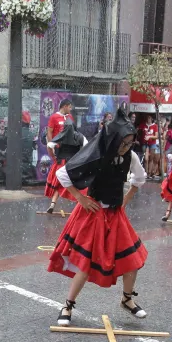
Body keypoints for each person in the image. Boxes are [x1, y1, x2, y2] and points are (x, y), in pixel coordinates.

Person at [47, 109, 149, 326]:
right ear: (113, 139)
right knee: (85, 264)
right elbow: (62, 174)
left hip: (115, 214)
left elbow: (139, 178)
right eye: (124, 143)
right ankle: (67, 305)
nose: (127, 147)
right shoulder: (96, 152)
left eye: (130, 143)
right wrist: (80, 199)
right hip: (92, 214)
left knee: (132, 260)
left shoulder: (129, 156)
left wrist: (125, 200)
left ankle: (127, 299)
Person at [43, 121, 85, 213]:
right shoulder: (80, 136)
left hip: (61, 163)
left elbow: (49, 145)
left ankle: (52, 204)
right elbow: (87, 147)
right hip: (73, 164)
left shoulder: (61, 135)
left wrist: (53, 156)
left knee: (58, 185)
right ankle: (79, 207)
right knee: (76, 185)